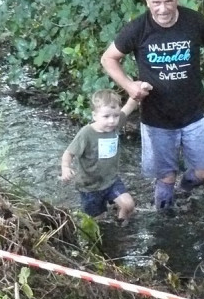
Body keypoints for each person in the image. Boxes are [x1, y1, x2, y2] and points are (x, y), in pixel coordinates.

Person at [101, 0, 204, 210]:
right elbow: (109, 58)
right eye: (156, 3)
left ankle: (184, 192)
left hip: (194, 113)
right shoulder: (138, 28)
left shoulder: (194, 22)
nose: (162, 9)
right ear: (147, 1)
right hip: (157, 118)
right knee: (165, 178)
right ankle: (165, 220)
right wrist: (129, 85)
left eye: (168, 1)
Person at [60, 88, 142, 222]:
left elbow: (130, 105)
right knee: (98, 220)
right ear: (94, 116)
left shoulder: (115, 125)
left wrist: (138, 91)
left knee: (128, 205)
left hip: (111, 181)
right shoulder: (86, 133)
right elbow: (68, 153)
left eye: (115, 116)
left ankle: (121, 224)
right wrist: (65, 168)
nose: (112, 121)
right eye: (106, 116)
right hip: (90, 187)